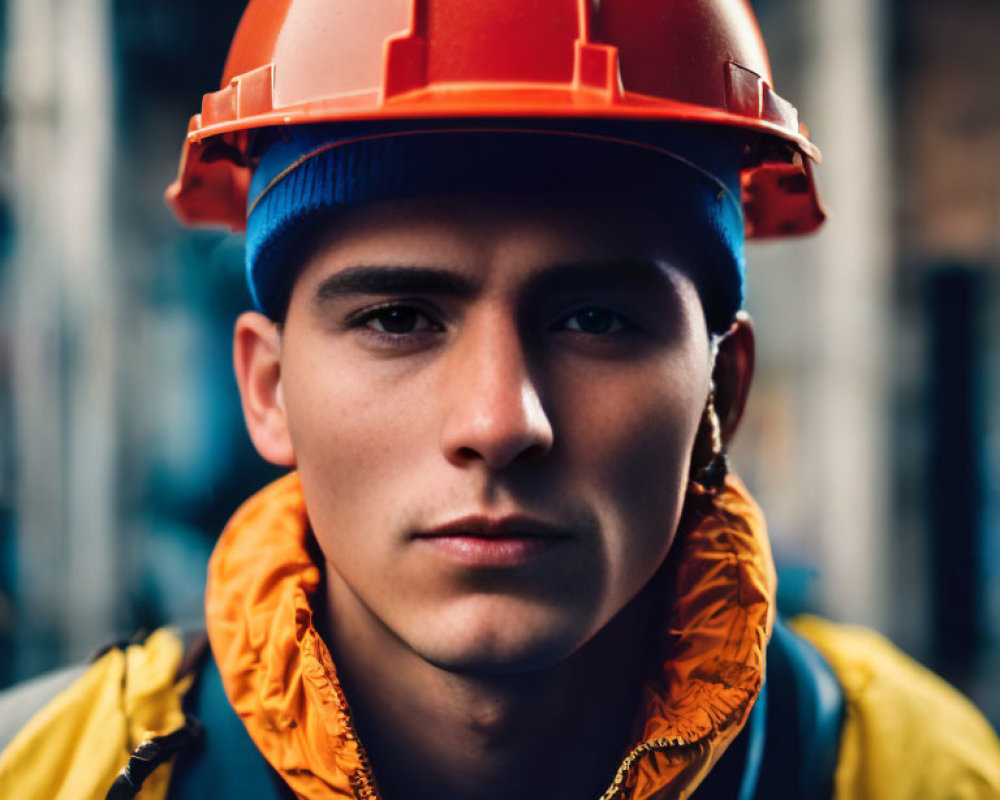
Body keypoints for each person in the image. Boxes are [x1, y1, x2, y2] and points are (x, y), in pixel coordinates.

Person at [1, 1, 999, 799]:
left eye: (595, 320)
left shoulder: (928, 775)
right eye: (399, 318)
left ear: (720, 390)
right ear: (269, 390)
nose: (499, 421)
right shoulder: (42, 773)